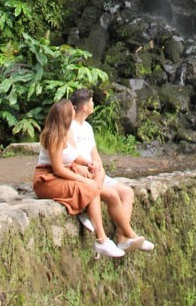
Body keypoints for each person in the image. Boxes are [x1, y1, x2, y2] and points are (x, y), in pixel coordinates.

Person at [33, 99, 145, 258]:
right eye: (71, 108)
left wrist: (89, 163)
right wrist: (84, 180)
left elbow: (73, 156)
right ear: (65, 115)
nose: (74, 108)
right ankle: (102, 239)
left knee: (101, 186)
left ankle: (121, 235)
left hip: (61, 174)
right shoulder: (54, 136)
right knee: (92, 188)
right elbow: (57, 168)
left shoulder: (65, 133)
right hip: (47, 179)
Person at [69, 88, 154, 253]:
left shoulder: (87, 127)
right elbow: (71, 157)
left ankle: (123, 238)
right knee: (113, 195)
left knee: (127, 192)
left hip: (95, 173)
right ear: (85, 107)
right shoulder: (69, 127)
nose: (94, 104)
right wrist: (90, 170)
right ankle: (132, 234)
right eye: (92, 102)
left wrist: (99, 167)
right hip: (83, 174)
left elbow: (94, 153)